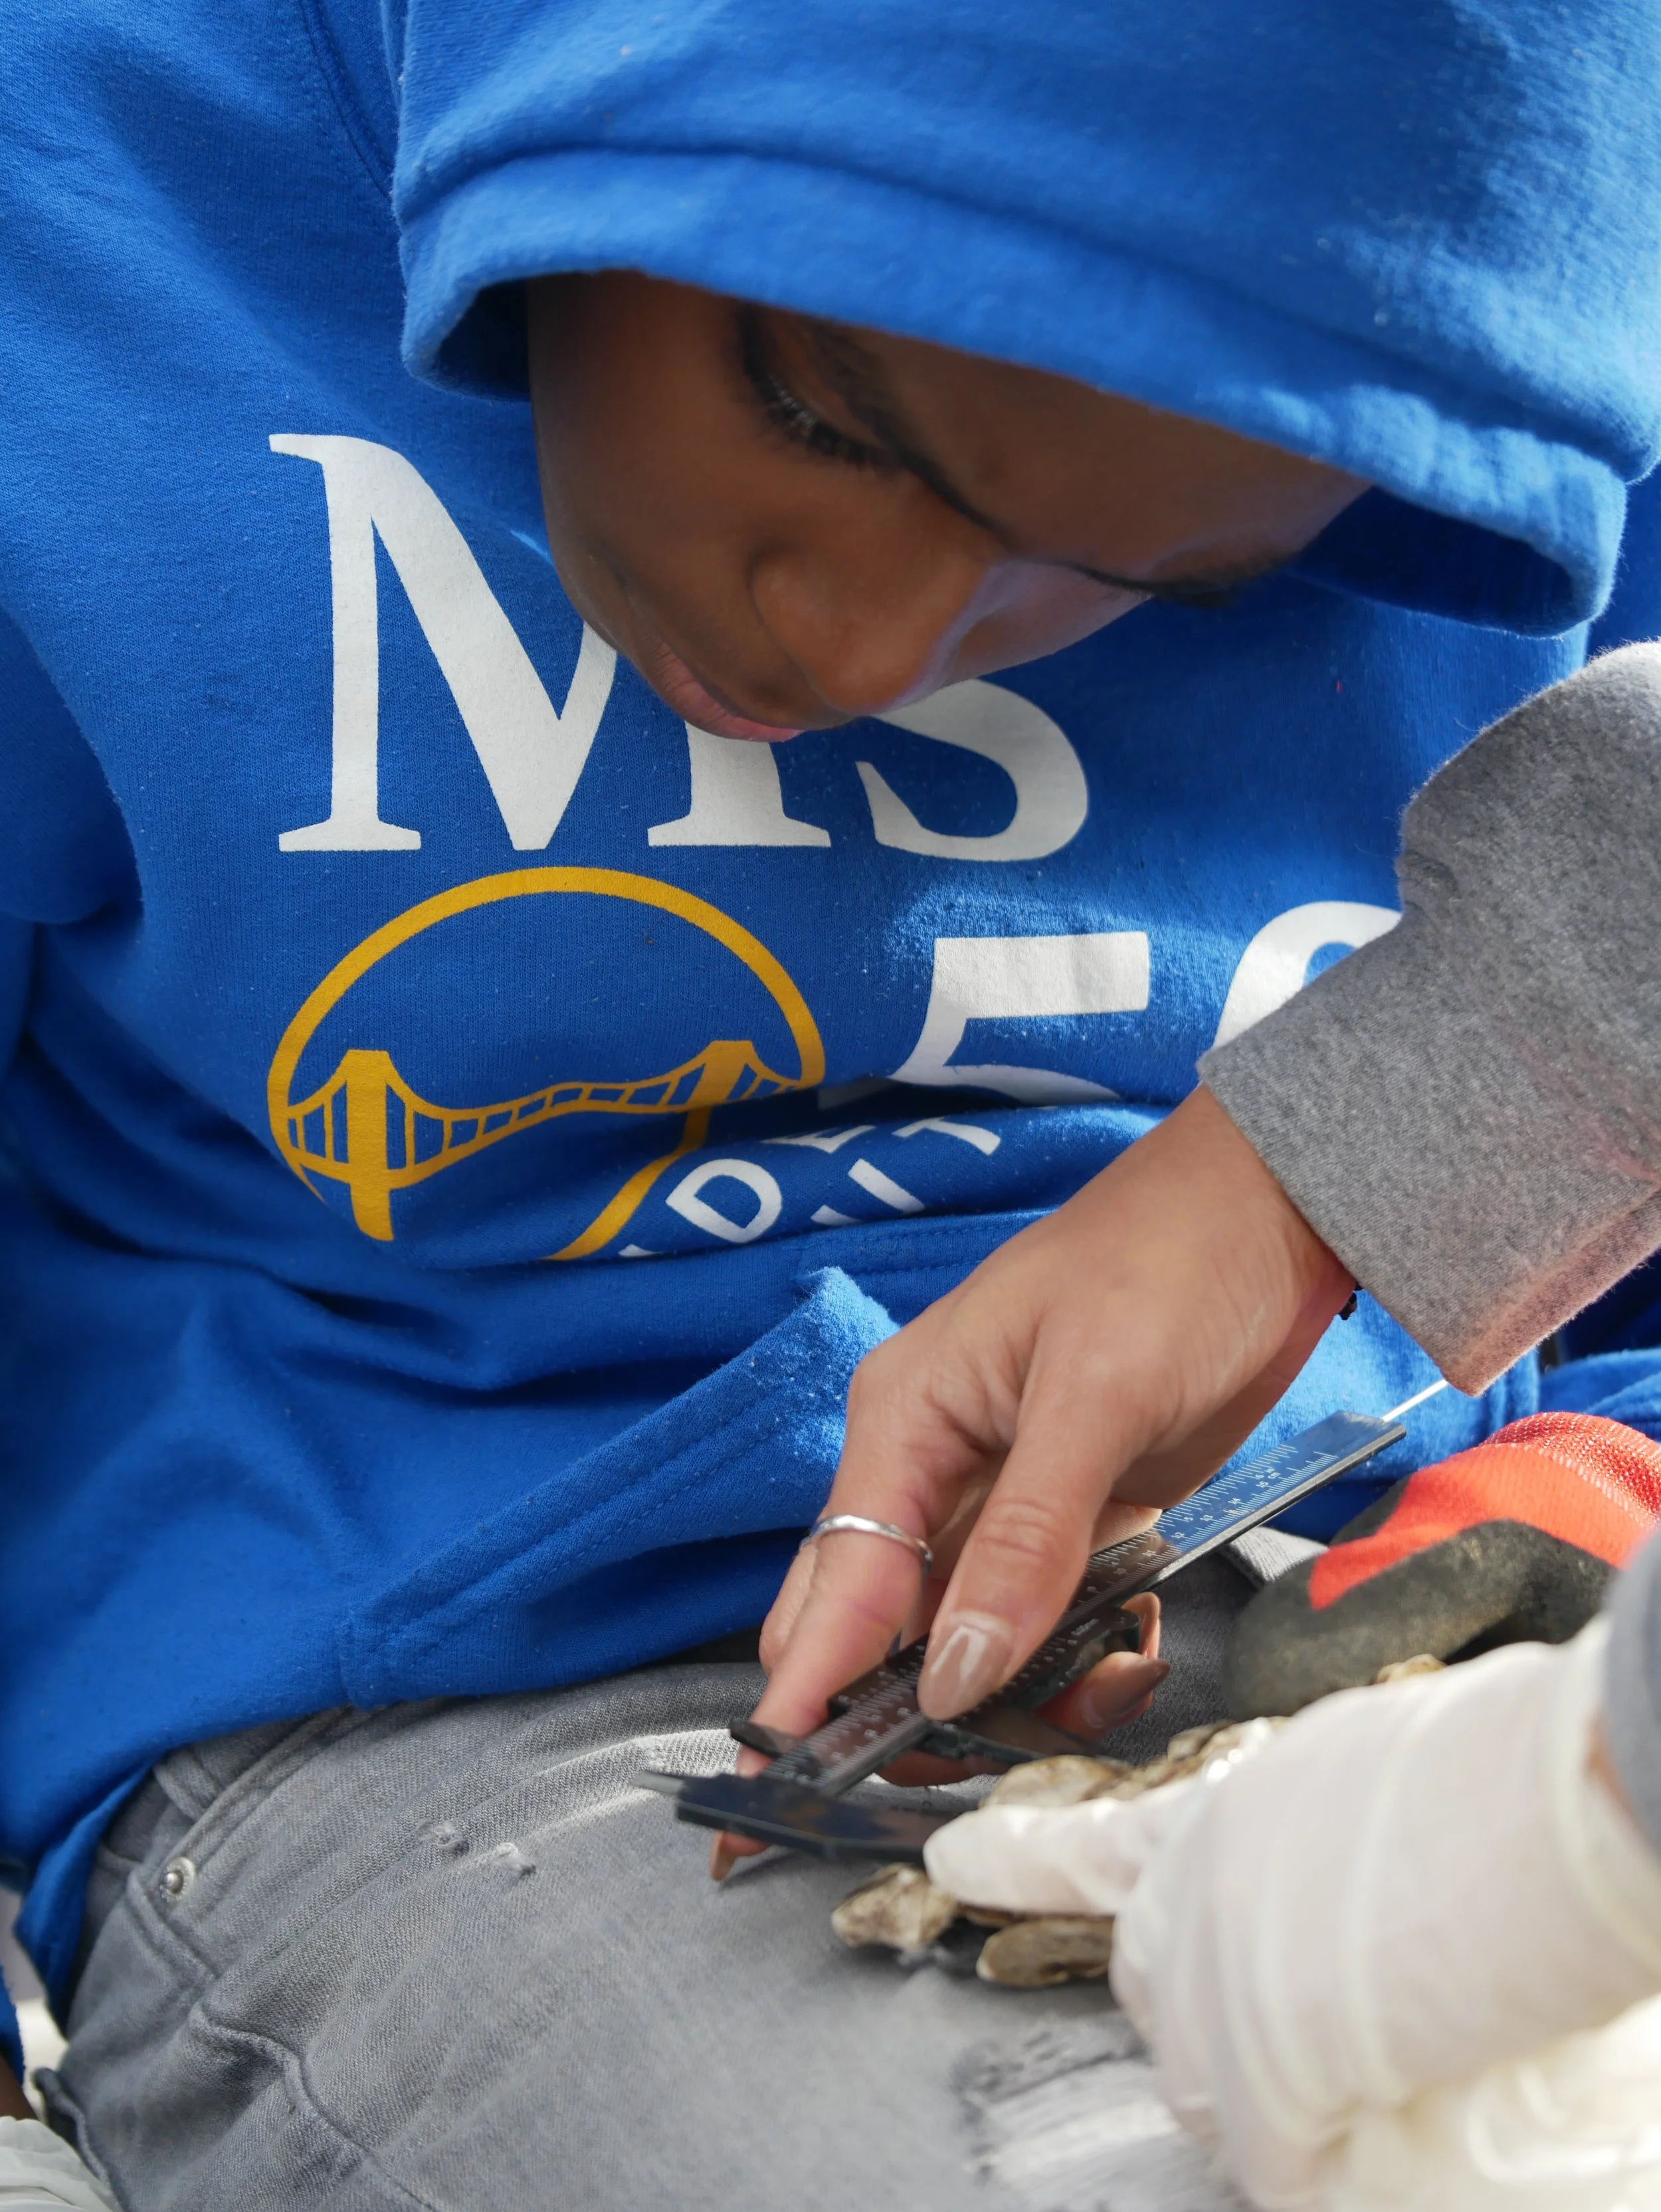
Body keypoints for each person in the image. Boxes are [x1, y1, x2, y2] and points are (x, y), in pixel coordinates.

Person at [3, 0, 1661, 2205]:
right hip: (462, 1705)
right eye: (826, 414)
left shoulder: (1552, 366)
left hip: (1417, 1586)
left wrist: (1602, 1470)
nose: (868, 649)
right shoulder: (80, 223)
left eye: (1172, 585)